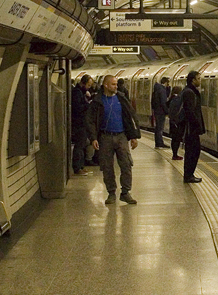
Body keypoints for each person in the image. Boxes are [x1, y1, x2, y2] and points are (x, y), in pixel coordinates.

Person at [86, 74, 141, 204]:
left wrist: (133, 136)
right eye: (113, 84)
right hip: (105, 137)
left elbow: (130, 116)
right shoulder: (98, 101)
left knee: (126, 164)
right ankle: (111, 192)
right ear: (105, 85)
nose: (116, 86)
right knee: (107, 167)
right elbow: (90, 121)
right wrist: (93, 138)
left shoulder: (121, 99)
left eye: (116, 84)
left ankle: (125, 192)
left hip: (121, 136)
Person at [181, 70, 205, 183]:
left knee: (193, 151)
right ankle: (188, 175)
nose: (200, 81)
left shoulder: (189, 91)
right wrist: (197, 125)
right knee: (192, 152)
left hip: (191, 128)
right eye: (198, 78)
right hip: (191, 129)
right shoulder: (190, 93)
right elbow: (190, 112)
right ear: (193, 80)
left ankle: (189, 174)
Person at [70, 74, 93, 175]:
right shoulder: (76, 92)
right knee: (79, 146)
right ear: (83, 83)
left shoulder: (81, 92)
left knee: (83, 144)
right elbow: (77, 108)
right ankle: (77, 168)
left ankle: (81, 166)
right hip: (78, 124)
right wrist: (88, 104)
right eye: (88, 85)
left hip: (82, 123)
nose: (89, 87)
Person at [151, 76, 171, 148]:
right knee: (160, 128)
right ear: (166, 83)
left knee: (157, 128)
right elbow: (163, 102)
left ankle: (158, 142)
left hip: (157, 111)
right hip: (161, 112)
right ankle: (160, 143)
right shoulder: (162, 90)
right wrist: (167, 111)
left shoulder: (157, 89)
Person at [167, 85, 184, 160]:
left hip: (172, 122)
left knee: (174, 138)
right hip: (177, 122)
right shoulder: (177, 100)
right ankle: (175, 154)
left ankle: (174, 154)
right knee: (176, 139)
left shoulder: (171, 99)